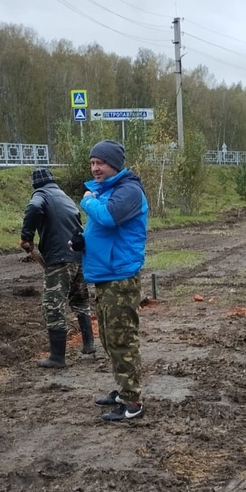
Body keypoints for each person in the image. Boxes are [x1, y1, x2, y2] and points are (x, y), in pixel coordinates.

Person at [76, 140, 149, 422]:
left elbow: (107, 219)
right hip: (106, 275)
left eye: (100, 163)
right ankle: (123, 389)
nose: (95, 168)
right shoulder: (108, 190)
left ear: (114, 164)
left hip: (120, 277)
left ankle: (133, 402)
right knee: (109, 338)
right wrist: (82, 241)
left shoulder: (128, 190)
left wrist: (86, 200)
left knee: (122, 340)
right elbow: (103, 230)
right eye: (92, 163)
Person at [20, 167, 94, 368]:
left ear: (35, 184)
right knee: (80, 300)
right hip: (78, 256)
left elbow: (34, 208)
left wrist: (27, 235)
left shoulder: (41, 194)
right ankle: (89, 344)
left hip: (59, 257)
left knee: (53, 304)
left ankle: (57, 357)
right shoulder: (64, 197)